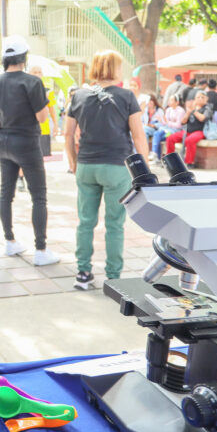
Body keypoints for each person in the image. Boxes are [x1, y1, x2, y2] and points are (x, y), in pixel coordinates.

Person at [64, 50, 148, 289]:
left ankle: (83, 273)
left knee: (85, 221)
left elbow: (68, 134)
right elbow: (138, 136)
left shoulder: (78, 95)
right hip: (116, 167)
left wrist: (73, 161)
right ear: (114, 69)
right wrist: (144, 170)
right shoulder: (127, 96)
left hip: (86, 165)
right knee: (114, 224)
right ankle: (113, 277)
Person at [0, 36, 61, 266]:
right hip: (27, 142)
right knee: (38, 196)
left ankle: (9, 241)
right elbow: (42, 118)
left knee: (6, 193)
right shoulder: (32, 82)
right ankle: (40, 249)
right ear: (24, 58)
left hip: (3, 142)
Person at [165, 91, 211, 167]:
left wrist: (193, 111)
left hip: (200, 131)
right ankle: (170, 161)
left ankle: (189, 162)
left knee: (189, 140)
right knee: (170, 138)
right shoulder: (192, 108)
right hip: (187, 131)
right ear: (195, 99)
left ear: (206, 99)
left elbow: (202, 118)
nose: (200, 99)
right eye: (198, 97)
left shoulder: (207, 108)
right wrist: (188, 113)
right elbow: (183, 122)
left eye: (202, 97)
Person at [151, 94, 184, 159]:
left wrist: (168, 122)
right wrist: (161, 120)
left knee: (160, 136)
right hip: (166, 129)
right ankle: (156, 155)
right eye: (169, 100)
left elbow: (178, 125)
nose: (169, 101)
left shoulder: (181, 111)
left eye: (171, 100)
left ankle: (156, 155)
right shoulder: (168, 110)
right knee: (157, 134)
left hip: (174, 132)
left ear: (177, 102)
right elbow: (165, 123)